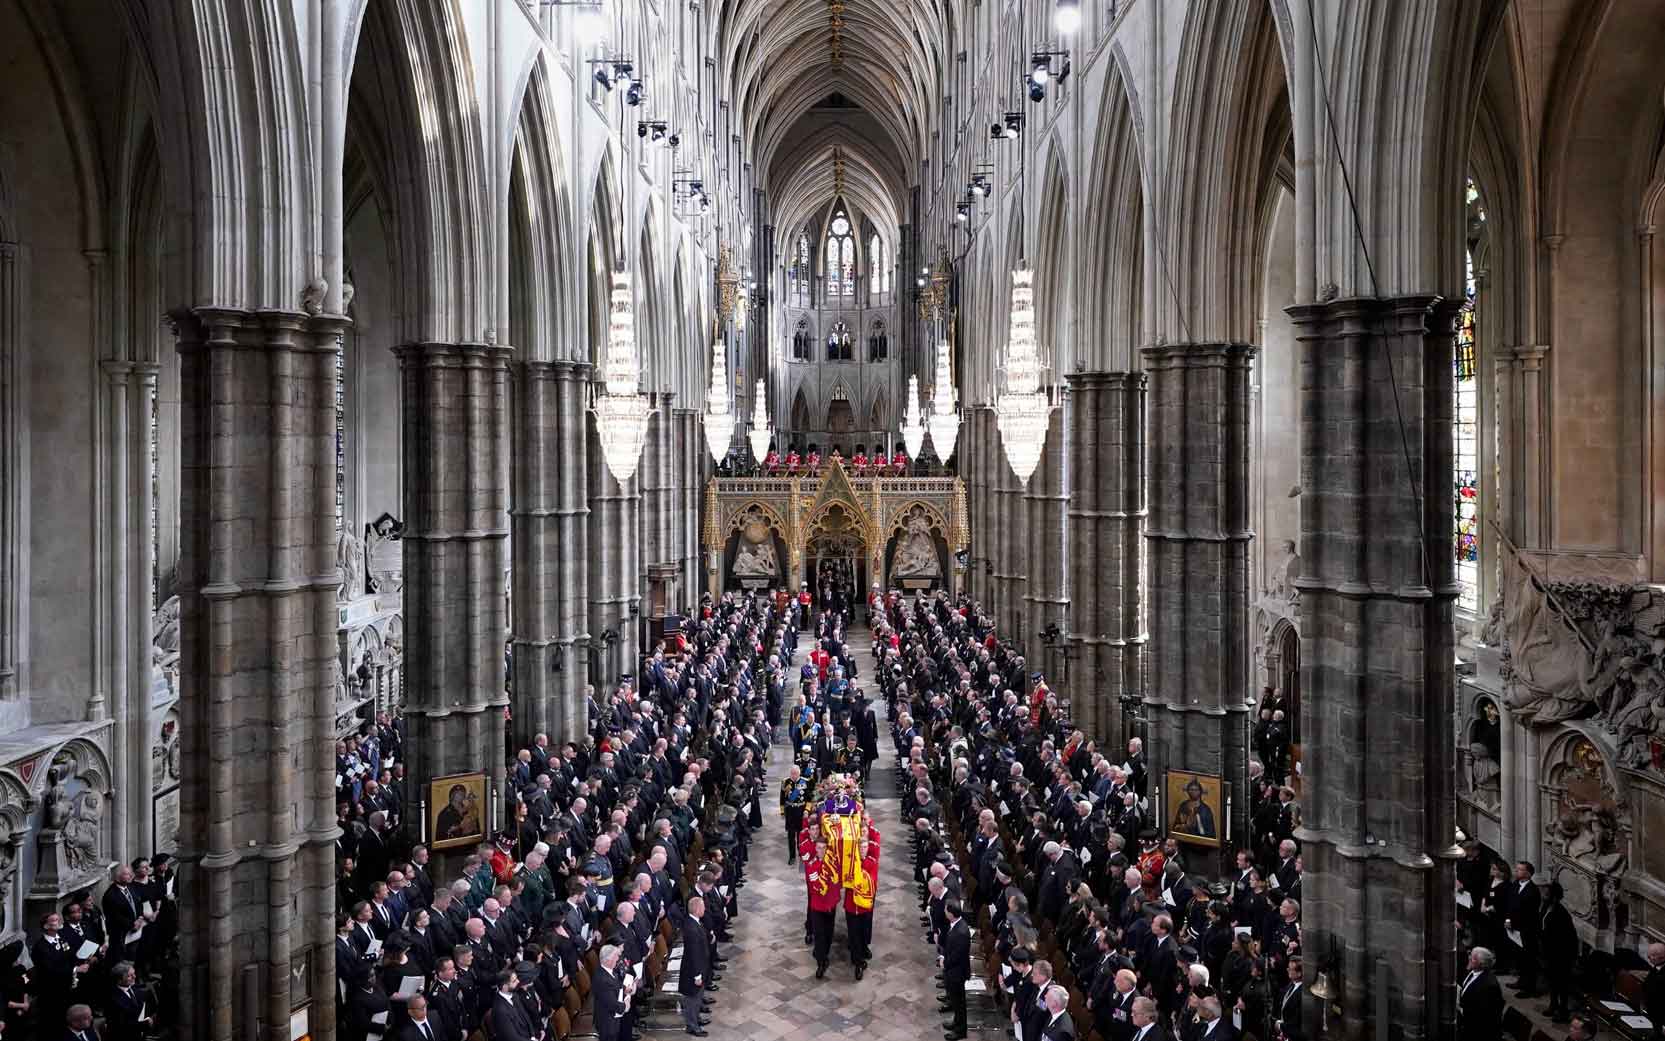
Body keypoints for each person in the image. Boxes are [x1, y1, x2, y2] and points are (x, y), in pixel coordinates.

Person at [843, 833, 880, 978]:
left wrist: (858, 879)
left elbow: (869, 882)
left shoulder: (871, 862)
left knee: (864, 932)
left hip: (864, 906)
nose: (863, 850)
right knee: (853, 934)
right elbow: (847, 880)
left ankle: (862, 950)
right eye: (861, 847)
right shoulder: (850, 863)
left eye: (865, 847)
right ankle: (858, 963)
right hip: (851, 906)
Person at [1541, 881, 1578, 1023]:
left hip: (1562, 955)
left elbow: (1568, 937)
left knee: (1561, 983)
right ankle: (1553, 1004)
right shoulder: (1545, 907)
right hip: (1549, 952)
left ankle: (1563, 1011)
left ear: (1554, 896)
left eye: (1546, 893)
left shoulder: (1561, 913)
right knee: (1552, 981)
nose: (1544, 895)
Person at [677, 895, 713, 1036]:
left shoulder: (695, 922)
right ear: (697, 909)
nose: (705, 908)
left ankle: (695, 1019)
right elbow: (694, 954)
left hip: (700, 968)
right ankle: (692, 1026)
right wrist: (697, 975)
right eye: (703, 906)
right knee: (692, 1000)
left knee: (697, 998)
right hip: (693, 971)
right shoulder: (691, 928)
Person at [1506, 861, 1541, 998]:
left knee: (1528, 960)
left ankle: (1529, 988)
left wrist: (1513, 921)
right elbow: (1509, 904)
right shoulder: (1515, 885)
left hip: (1527, 930)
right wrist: (1508, 919)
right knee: (1520, 958)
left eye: (1520, 870)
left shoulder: (1533, 890)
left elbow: (1528, 913)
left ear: (1528, 873)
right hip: (1514, 929)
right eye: (1517, 869)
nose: (1516, 871)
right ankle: (1521, 981)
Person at [1456, 946, 1503, 1041]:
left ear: (1481, 964)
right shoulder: (1472, 971)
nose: (1469, 958)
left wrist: (1461, 1009)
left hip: (1478, 1032)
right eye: (1470, 954)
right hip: (1466, 1020)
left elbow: (1484, 1015)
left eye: (1473, 958)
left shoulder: (1489, 985)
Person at [940, 900, 971, 1041]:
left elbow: (957, 956)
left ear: (951, 914)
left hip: (957, 973)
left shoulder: (961, 932)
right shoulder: (956, 925)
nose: (944, 912)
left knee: (959, 1003)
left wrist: (944, 962)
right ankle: (956, 1022)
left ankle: (960, 1031)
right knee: (955, 1001)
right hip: (953, 971)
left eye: (946, 910)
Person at [779, 766, 810, 864]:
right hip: (790, 812)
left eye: (796, 773)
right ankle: (792, 856)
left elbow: (809, 798)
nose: (794, 775)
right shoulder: (785, 782)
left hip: (801, 811)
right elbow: (782, 798)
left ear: (799, 773)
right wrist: (782, 811)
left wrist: (807, 810)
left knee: (801, 834)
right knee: (791, 835)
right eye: (792, 773)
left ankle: (801, 852)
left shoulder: (805, 782)